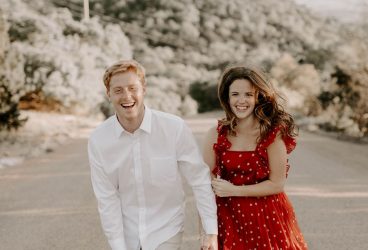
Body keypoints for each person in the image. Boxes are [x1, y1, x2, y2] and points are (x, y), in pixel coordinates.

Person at [88, 59, 218, 250]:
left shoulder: (173, 128)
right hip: (126, 233)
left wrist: (210, 232)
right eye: (118, 90)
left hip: (166, 229)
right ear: (108, 94)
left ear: (144, 89)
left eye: (133, 88)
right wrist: (118, 246)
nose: (127, 96)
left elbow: (199, 180)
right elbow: (107, 199)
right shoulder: (99, 140)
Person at [203, 65, 307, 249]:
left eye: (248, 95)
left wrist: (234, 190)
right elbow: (203, 187)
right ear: (227, 98)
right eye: (235, 94)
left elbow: (277, 183)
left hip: (268, 219)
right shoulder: (215, 134)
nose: (241, 100)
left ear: (258, 97)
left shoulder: (272, 135)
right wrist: (207, 233)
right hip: (228, 218)